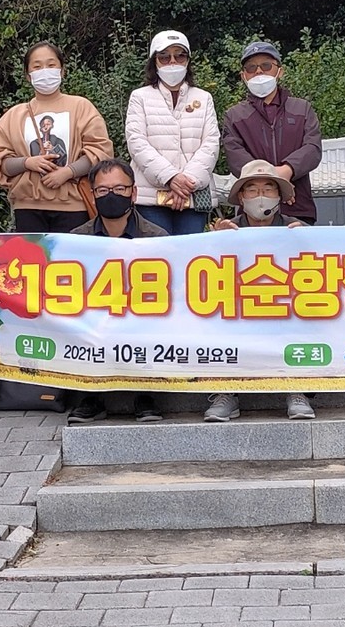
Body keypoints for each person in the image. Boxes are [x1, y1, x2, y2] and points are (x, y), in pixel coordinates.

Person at [204, 161, 314, 422]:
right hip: (238, 311)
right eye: (252, 190)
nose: (260, 196)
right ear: (241, 197)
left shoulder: (295, 228)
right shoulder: (226, 229)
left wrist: (310, 242)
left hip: (285, 309)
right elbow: (200, 274)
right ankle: (225, 392)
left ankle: (298, 390)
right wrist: (212, 243)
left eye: (268, 189)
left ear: (280, 196)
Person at [68, 159, 168, 424]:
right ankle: (91, 397)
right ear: (93, 195)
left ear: (133, 193)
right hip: (96, 315)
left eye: (120, 189)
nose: (111, 195)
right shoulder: (76, 240)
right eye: (103, 190)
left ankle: (146, 395)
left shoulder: (157, 238)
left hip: (143, 314)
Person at [0, 41, 114, 233]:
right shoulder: (14, 115)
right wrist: (27, 163)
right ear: (28, 76)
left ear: (62, 71)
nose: (45, 71)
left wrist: (68, 171)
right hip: (27, 205)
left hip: (73, 204)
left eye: (51, 65)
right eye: (37, 66)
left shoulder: (81, 106)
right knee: (32, 261)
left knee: (70, 262)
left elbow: (100, 151)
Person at [126, 30, 221, 235]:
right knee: (157, 257)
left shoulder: (204, 98)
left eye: (180, 55)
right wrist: (170, 178)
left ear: (188, 60)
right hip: (150, 197)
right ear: (154, 62)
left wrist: (185, 182)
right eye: (164, 56)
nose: (172, 61)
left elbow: (211, 143)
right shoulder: (139, 97)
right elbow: (136, 142)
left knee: (192, 258)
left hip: (194, 194)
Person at [222, 41, 322, 225]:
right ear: (243, 76)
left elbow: (312, 148)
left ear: (279, 71)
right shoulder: (234, 116)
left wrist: (287, 171)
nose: (258, 71)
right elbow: (235, 156)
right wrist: (272, 179)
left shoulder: (302, 108)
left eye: (266, 65)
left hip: (298, 205)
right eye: (251, 68)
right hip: (251, 210)